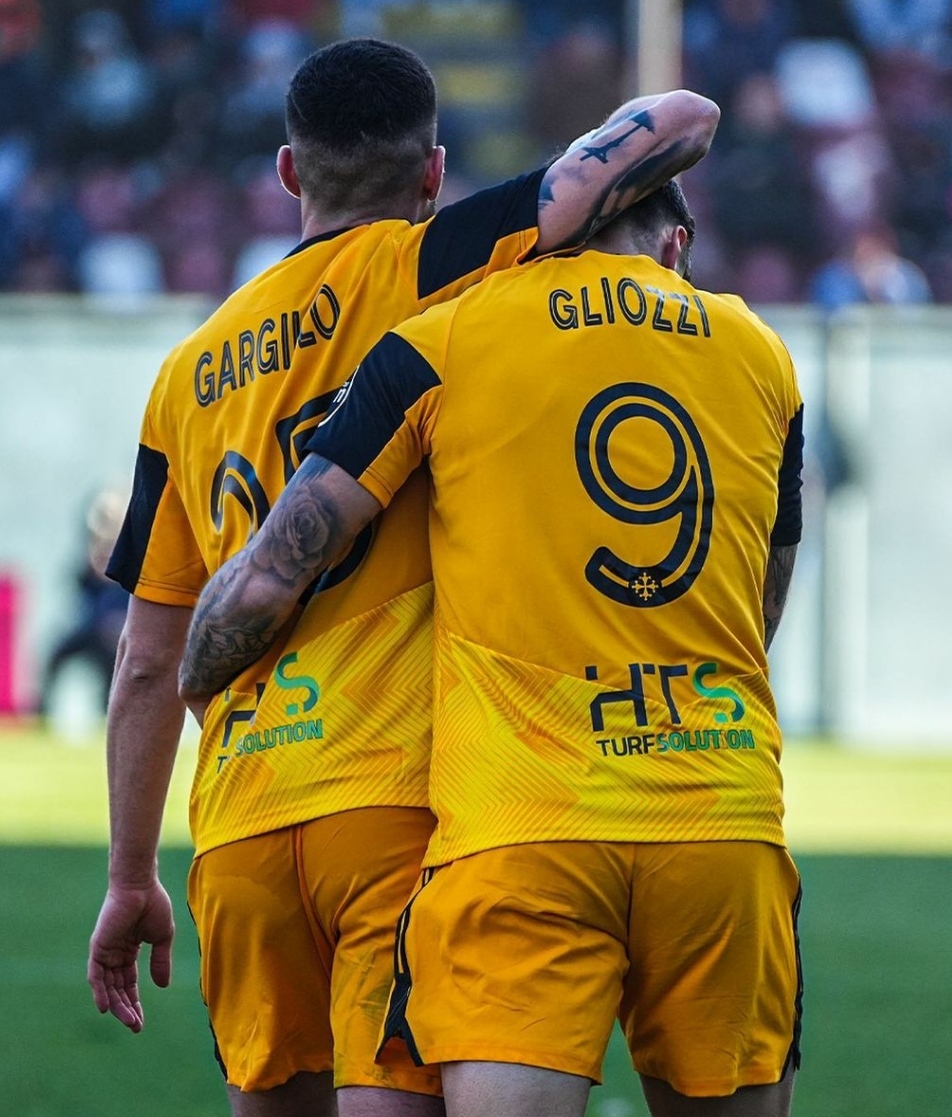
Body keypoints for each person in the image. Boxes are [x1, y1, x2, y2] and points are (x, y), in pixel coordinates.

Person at [86, 36, 720, 1117]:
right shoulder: (430, 267)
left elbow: (148, 660)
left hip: (240, 822)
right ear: (432, 172)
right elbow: (679, 120)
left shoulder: (184, 374)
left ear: (289, 171)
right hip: (393, 803)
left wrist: (128, 875)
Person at [178, 180, 805, 1117]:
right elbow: (766, 590)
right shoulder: (761, 352)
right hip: (719, 813)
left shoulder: (448, 334)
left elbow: (281, 563)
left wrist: (197, 674)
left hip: (522, 824)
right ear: (675, 246)